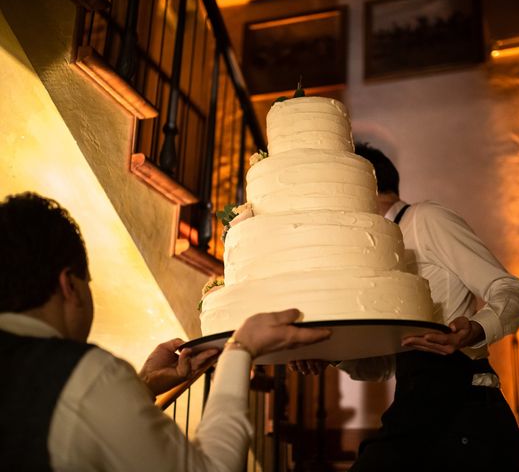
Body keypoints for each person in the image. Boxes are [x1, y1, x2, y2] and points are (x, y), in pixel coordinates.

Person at [0, 192, 330, 471]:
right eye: (88, 285)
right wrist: (240, 348)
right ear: (68, 285)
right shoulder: (83, 376)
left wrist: (144, 385)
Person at [290, 143, 519, 471]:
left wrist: (475, 328)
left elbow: (513, 291)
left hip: (464, 406)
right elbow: (384, 367)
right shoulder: (375, 253)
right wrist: (334, 354)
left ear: (364, 183)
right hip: (417, 400)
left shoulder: (426, 219)